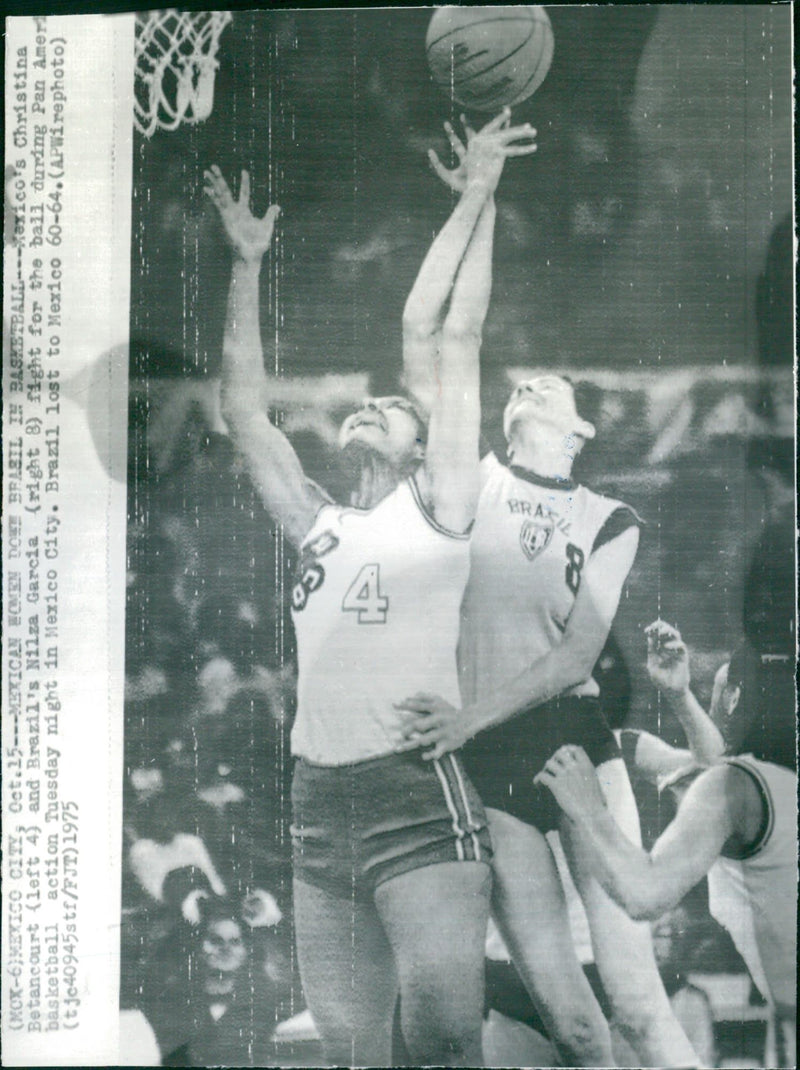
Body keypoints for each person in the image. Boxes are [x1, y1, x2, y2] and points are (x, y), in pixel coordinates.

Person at [206, 111, 537, 1067]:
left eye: (391, 407)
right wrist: (245, 263)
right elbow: (242, 407)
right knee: (355, 1052)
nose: (373, 406)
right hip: (316, 805)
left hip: (412, 799)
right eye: (369, 403)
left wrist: (480, 194)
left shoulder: (440, 506)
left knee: (440, 1044)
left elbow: (456, 333)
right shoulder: (319, 521)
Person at [399, 119, 698, 1067]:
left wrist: (465, 717)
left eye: (553, 388)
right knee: (574, 1027)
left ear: (575, 435)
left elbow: (576, 658)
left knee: (642, 1009)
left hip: (572, 741)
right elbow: (452, 329)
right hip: (487, 760)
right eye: (525, 386)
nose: (530, 385)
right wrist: (478, 194)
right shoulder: (469, 479)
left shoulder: (607, 516)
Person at [537, 619, 797, 1068]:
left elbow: (715, 771)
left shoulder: (618, 746)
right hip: (527, 971)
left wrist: (678, 695)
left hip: (612, 967)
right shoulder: (495, 753)